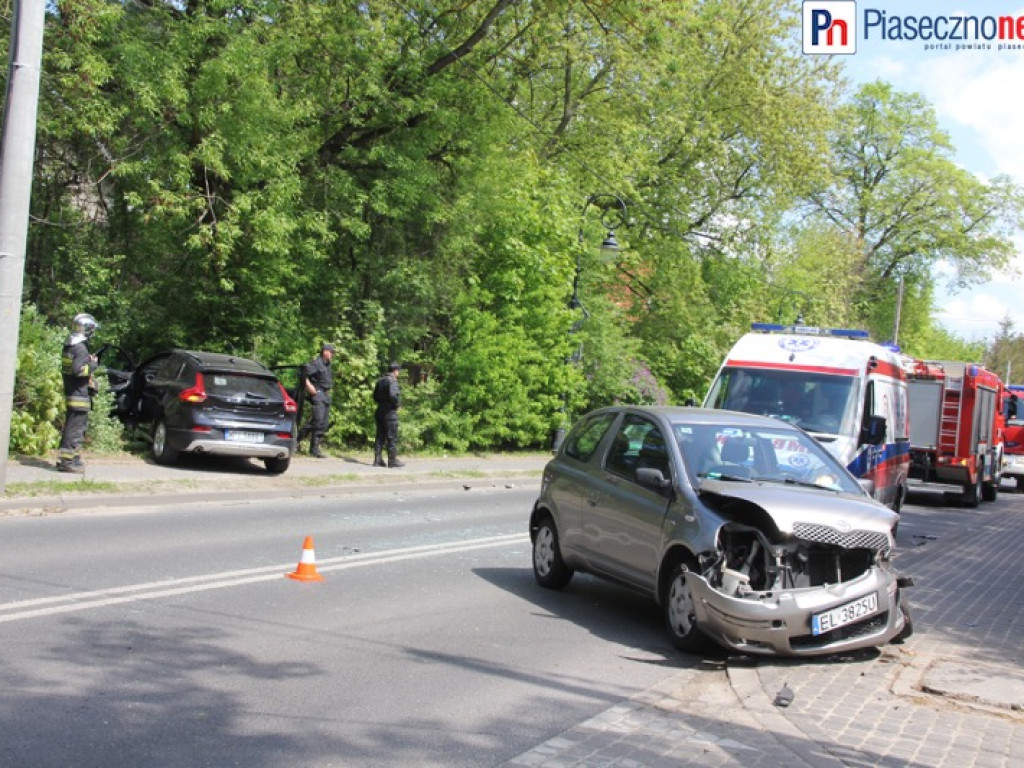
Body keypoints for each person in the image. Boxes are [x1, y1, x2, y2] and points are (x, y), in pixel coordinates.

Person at [57, 313, 99, 473]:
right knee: (75, 430)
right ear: (86, 330)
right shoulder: (81, 348)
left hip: (71, 392)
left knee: (72, 428)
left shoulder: (69, 345)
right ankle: (67, 462)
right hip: (79, 396)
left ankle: (70, 458)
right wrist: (93, 365)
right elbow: (78, 370)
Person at [298, 343, 334, 458]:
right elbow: (301, 373)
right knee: (317, 421)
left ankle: (314, 449)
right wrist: (310, 388)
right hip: (318, 394)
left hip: (326, 395)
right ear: (325, 352)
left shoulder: (328, 364)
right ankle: (296, 440)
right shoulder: (316, 363)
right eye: (331, 352)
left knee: (324, 423)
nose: (332, 354)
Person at [373, 362, 404, 468]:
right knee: (392, 436)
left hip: (380, 410)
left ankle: (377, 460)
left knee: (380, 437)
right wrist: (397, 404)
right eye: (398, 371)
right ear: (395, 371)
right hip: (390, 412)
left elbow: (375, 396)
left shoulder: (380, 380)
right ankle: (392, 460)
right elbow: (393, 395)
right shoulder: (392, 381)